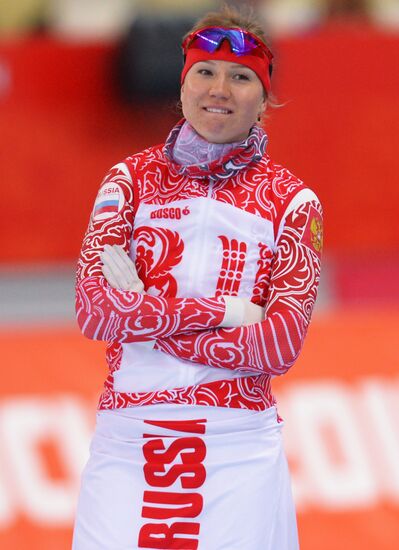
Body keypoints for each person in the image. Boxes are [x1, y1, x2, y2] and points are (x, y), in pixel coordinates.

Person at [73, 5, 323, 549]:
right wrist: (228, 313)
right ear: (183, 83)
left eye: (241, 77)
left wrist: (144, 315)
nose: (220, 88)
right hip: (132, 444)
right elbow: (94, 311)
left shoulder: (292, 202)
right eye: (205, 72)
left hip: (238, 448)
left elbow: (279, 345)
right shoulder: (130, 180)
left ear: (264, 97)